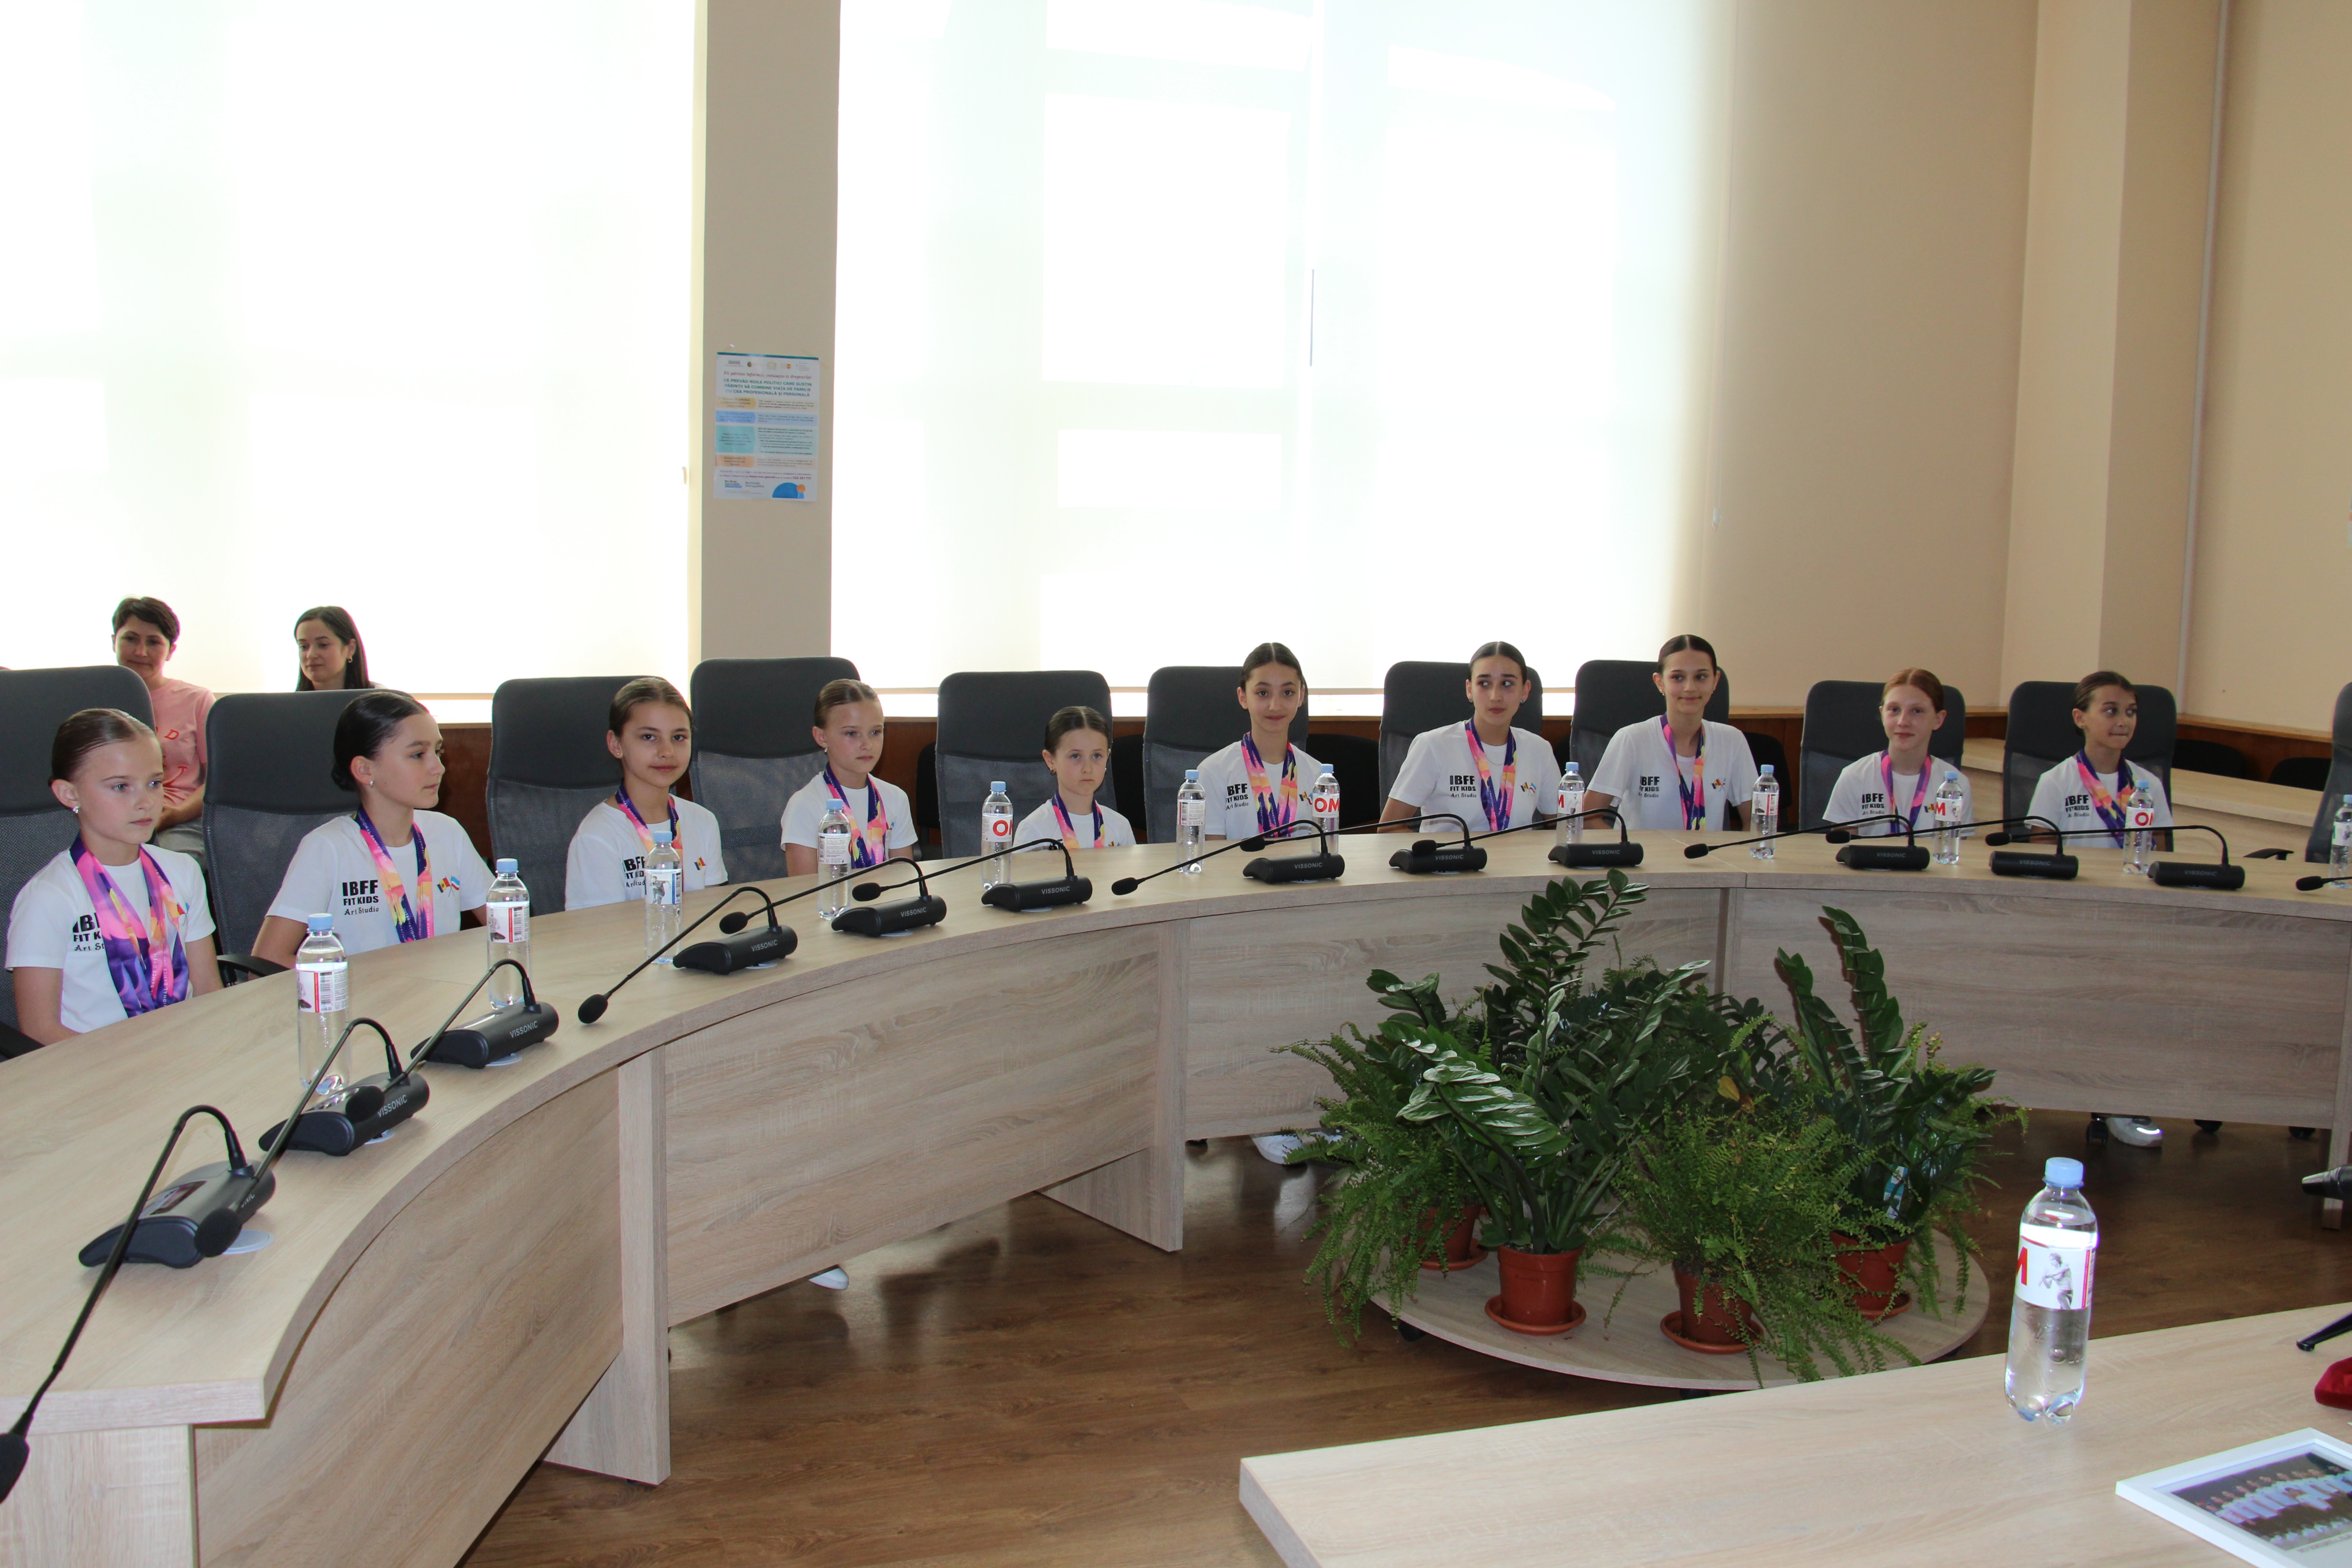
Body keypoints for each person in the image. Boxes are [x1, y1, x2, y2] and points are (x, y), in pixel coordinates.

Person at [2027, 670, 2176, 1150]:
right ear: (2081, 718)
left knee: (2133, 1000)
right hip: (2071, 918)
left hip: (2133, 918)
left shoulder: (2148, 784)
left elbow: (2162, 854)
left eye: (2130, 712)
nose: (2123, 721)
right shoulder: (2056, 782)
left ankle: (2122, 1098)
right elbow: (2041, 856)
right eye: (2110, 711)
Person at [8, 709, 220, 1044]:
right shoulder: (50, 896)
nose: (145, 801)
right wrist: (129, 1064)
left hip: (184, 1049)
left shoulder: (183, 871)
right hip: (93, 1065)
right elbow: (39, 1029)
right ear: (70, 795)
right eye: (121, 787)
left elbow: (209, 990)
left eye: (154, 783)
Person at [253, 691, 490, 965]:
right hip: (363, 992)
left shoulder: (447, 833)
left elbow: (506, 928)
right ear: (365, 770)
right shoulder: (328, 848)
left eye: (438, 752)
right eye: (417, 755)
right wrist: (353, 981)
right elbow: (266, 961)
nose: (438, 768)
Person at [565, 678, 729, 910]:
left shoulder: (703, 821)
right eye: (649, 737)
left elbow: (712, 913)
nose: (667, 752)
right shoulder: (598, 837)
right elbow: (599, 929)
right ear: (616, 744)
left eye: (678, 737)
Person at [1380, 640, 1559, 837]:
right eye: (1484, 684)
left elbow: (1563, 827)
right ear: (1469, 689)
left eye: (1507, 684)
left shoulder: (1539, 750)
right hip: (1452, 857)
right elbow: (1389, 830)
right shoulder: (1433, 746)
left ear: (1525, 690)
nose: (1495, 696)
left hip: (1521, 857)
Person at [1584, 634, 1757, 832]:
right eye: (1678, 678)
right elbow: (1587, 818)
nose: (1690, 688)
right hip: (1645, 853)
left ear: (1715, 681)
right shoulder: (1631, 740)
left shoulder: (1732, 741)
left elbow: (1757, 821)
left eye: (1701, 677)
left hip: (1708, 853)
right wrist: (1629, 848)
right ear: (1660, 682)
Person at [781, 679, 917, 877]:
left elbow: (905, 881)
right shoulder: (806, 805)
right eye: (852, 733)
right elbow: (803, 890)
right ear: (822, 738)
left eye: (875, 732)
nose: (867, 744)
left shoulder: (896, 798)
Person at [111, 596, 212, 859]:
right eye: (131, 639)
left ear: (170, 651)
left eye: (154, 642)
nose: (141, 652)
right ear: (114, 642)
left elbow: (217, 779)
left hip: (179, 820)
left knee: (165, 868)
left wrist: (176, 815)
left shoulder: (197, 700)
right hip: (109, 819)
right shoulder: (93, 698)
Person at [1821, 668, 1975, 836]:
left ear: (1938, 720)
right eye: (1894, 710)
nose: (1903, 722)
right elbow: (1843, 847)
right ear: (1883, 715)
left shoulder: (1956, 786)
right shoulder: (1854, 777)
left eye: (1917, 711)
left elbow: (1955, 848)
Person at [1198, 642, 1326, 844]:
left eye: (1288, 693)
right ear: (1243, 697)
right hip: (1235, 867)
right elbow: (1213, 856)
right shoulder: (1213, 772)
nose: (1275, 706)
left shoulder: (1319, 776)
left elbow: (1324, 850)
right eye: (1263, 693)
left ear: (1301, 696)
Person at [1014, 706, 1137, 851]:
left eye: (1097, 756)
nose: (1088, 768)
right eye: (1075, 756)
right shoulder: (1034, 830)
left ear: (1107, 758)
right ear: (1051, 760)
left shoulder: (1120, 826)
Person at [293, 605, 373, 692]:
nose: (311, 655)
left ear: (351, 649)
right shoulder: (289, 701)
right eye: (304, 646)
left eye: (323, 645)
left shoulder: (378, 698)